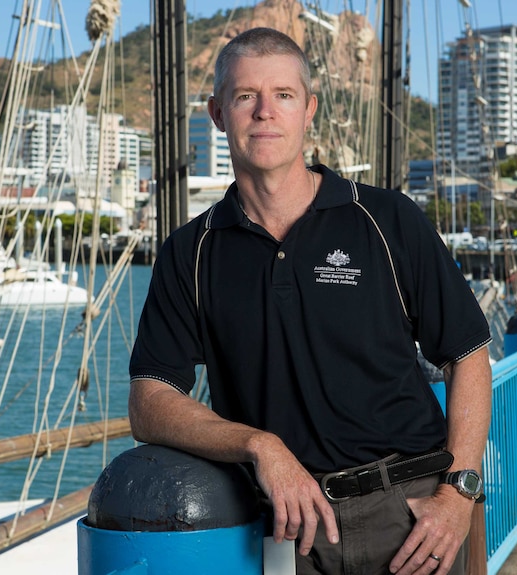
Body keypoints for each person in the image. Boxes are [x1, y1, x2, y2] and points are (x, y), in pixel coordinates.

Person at [128, 27, 492, 575]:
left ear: (309, 109)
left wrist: (458, 494)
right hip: (285, 531)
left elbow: (467, 354)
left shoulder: (387, 219)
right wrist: (260, 446)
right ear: (218, 113)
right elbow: (150, 399)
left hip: (414, 515)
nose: (265, 112)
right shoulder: (191, 252)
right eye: (246, 96)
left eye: (284, 95)